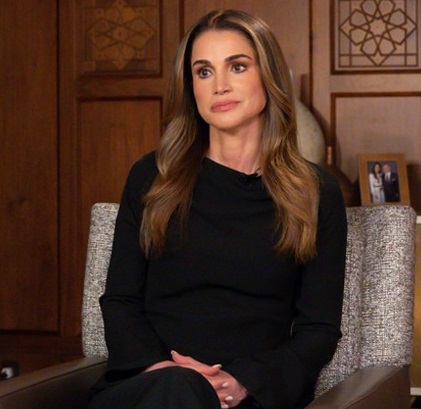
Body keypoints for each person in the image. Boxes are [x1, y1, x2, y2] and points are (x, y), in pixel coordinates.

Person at [88, 9, 347, 409]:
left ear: (269, 76)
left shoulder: (315, 192)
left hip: (248, 396)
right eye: (204, 72)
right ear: (191, 87)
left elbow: (319, 331)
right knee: (177, 391)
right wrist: (162, 371)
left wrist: (239, 383)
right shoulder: (153, 176)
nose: (220, 85)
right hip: (149, 387)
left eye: (237, 66)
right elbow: (120, 301)